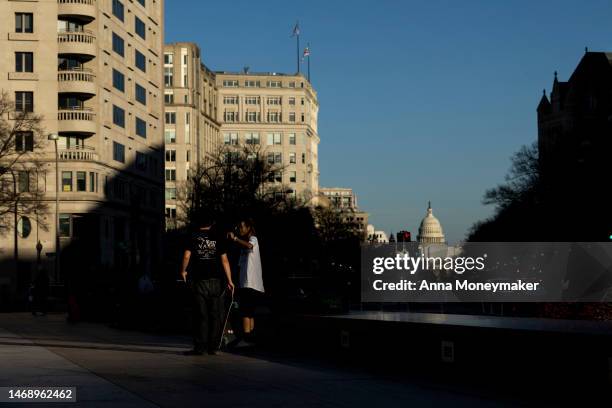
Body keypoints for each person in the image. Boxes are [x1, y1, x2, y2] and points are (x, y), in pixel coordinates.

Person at [181, 216, 234, 356]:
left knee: (201, 315)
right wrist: (230, 280)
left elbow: (186, 256)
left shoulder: (192, 236)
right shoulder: (218, 237)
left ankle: (200, 347)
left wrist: (183, 271)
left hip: (199, 280)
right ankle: (213, 346)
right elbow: (225, 260)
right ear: (212, 223)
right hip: (216, 280)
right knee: (215, 314)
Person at [229, 218, 264, 341]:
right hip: (245, 284)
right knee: (249, 312)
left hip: (251, 283)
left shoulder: (253, 239)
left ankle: (246, 339)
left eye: (242, 227)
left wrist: (235, 239)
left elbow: (250, 245)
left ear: (249, 228)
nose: (240, 229)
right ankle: (251, 338)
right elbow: (240, 267)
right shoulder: (242, 246)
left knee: (245, 311)